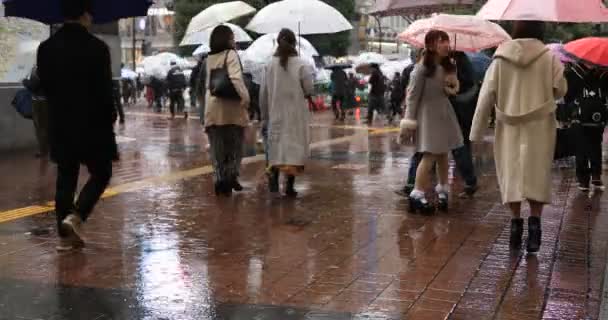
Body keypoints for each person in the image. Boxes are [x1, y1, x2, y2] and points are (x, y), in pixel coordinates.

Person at [470, 21, 567, 254]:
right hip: (540, 126)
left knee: (511, 173)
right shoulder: (549, 58)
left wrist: (477, 131)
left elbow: (485, 97)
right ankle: (535, 228)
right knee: (537, 174)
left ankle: (515, 226)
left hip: (509, 126)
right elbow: (561, 89)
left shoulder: (500, 59)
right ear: (540, 31)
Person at [37, 0, 119, 252]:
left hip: (61, 121)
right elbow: (104, 90)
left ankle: (64, 234)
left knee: (66, 174)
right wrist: (111, 115)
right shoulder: (97, 48)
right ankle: (77, 216)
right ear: (85, 15)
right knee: (101, 172)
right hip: (93, 122)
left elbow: (45, 87)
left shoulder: (46, 48)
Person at [400, 30, 463, 214]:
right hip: (427, 116)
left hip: (444, 114)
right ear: (430, 45)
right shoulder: (421, 69)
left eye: (447, 40)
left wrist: (452, 85)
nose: (445, 44)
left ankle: (443, 190)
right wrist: (409, 121)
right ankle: (416, 194)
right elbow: (412, 97)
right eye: (441, 41)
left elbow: (451, 88)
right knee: (429, 156)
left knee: (444, 155)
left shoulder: (448, 66)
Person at [260, 28, 315, 197]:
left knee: (276, 149)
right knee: (293, 150)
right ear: (294, 43)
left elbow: (263, 93)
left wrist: (264, 115)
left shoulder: (269, 65)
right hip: (295, 116)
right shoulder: (301, 64)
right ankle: (289, 186)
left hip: (275, 114)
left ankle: (274, 181)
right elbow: (309, 88)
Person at [204, 25, 250, 196]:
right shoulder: (231, 55)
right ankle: (231, 175)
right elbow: (236, 79)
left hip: (213, 110)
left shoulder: (208, 58)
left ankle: (219, 179)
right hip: (232, 110)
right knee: (235, 146)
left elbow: (206, 86)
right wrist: (246, 99)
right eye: (232, 37)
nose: (234, 40)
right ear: (227, 39)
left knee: (217, 149)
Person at [564, 62, 607, 192]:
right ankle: (596, 176)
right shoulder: (603, 73)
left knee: (581, 148)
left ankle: (583, 180)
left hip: (578, 116)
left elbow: (568, 96)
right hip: (597, 116)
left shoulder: (572, 73)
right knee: (595, 145)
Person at [22, 65, 49, 158]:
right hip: (48, 101)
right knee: (47, 126)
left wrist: (24, 80)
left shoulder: (38, 69)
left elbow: (33, 86)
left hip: (39, 103)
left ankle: (43, 151)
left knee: (40, 127)